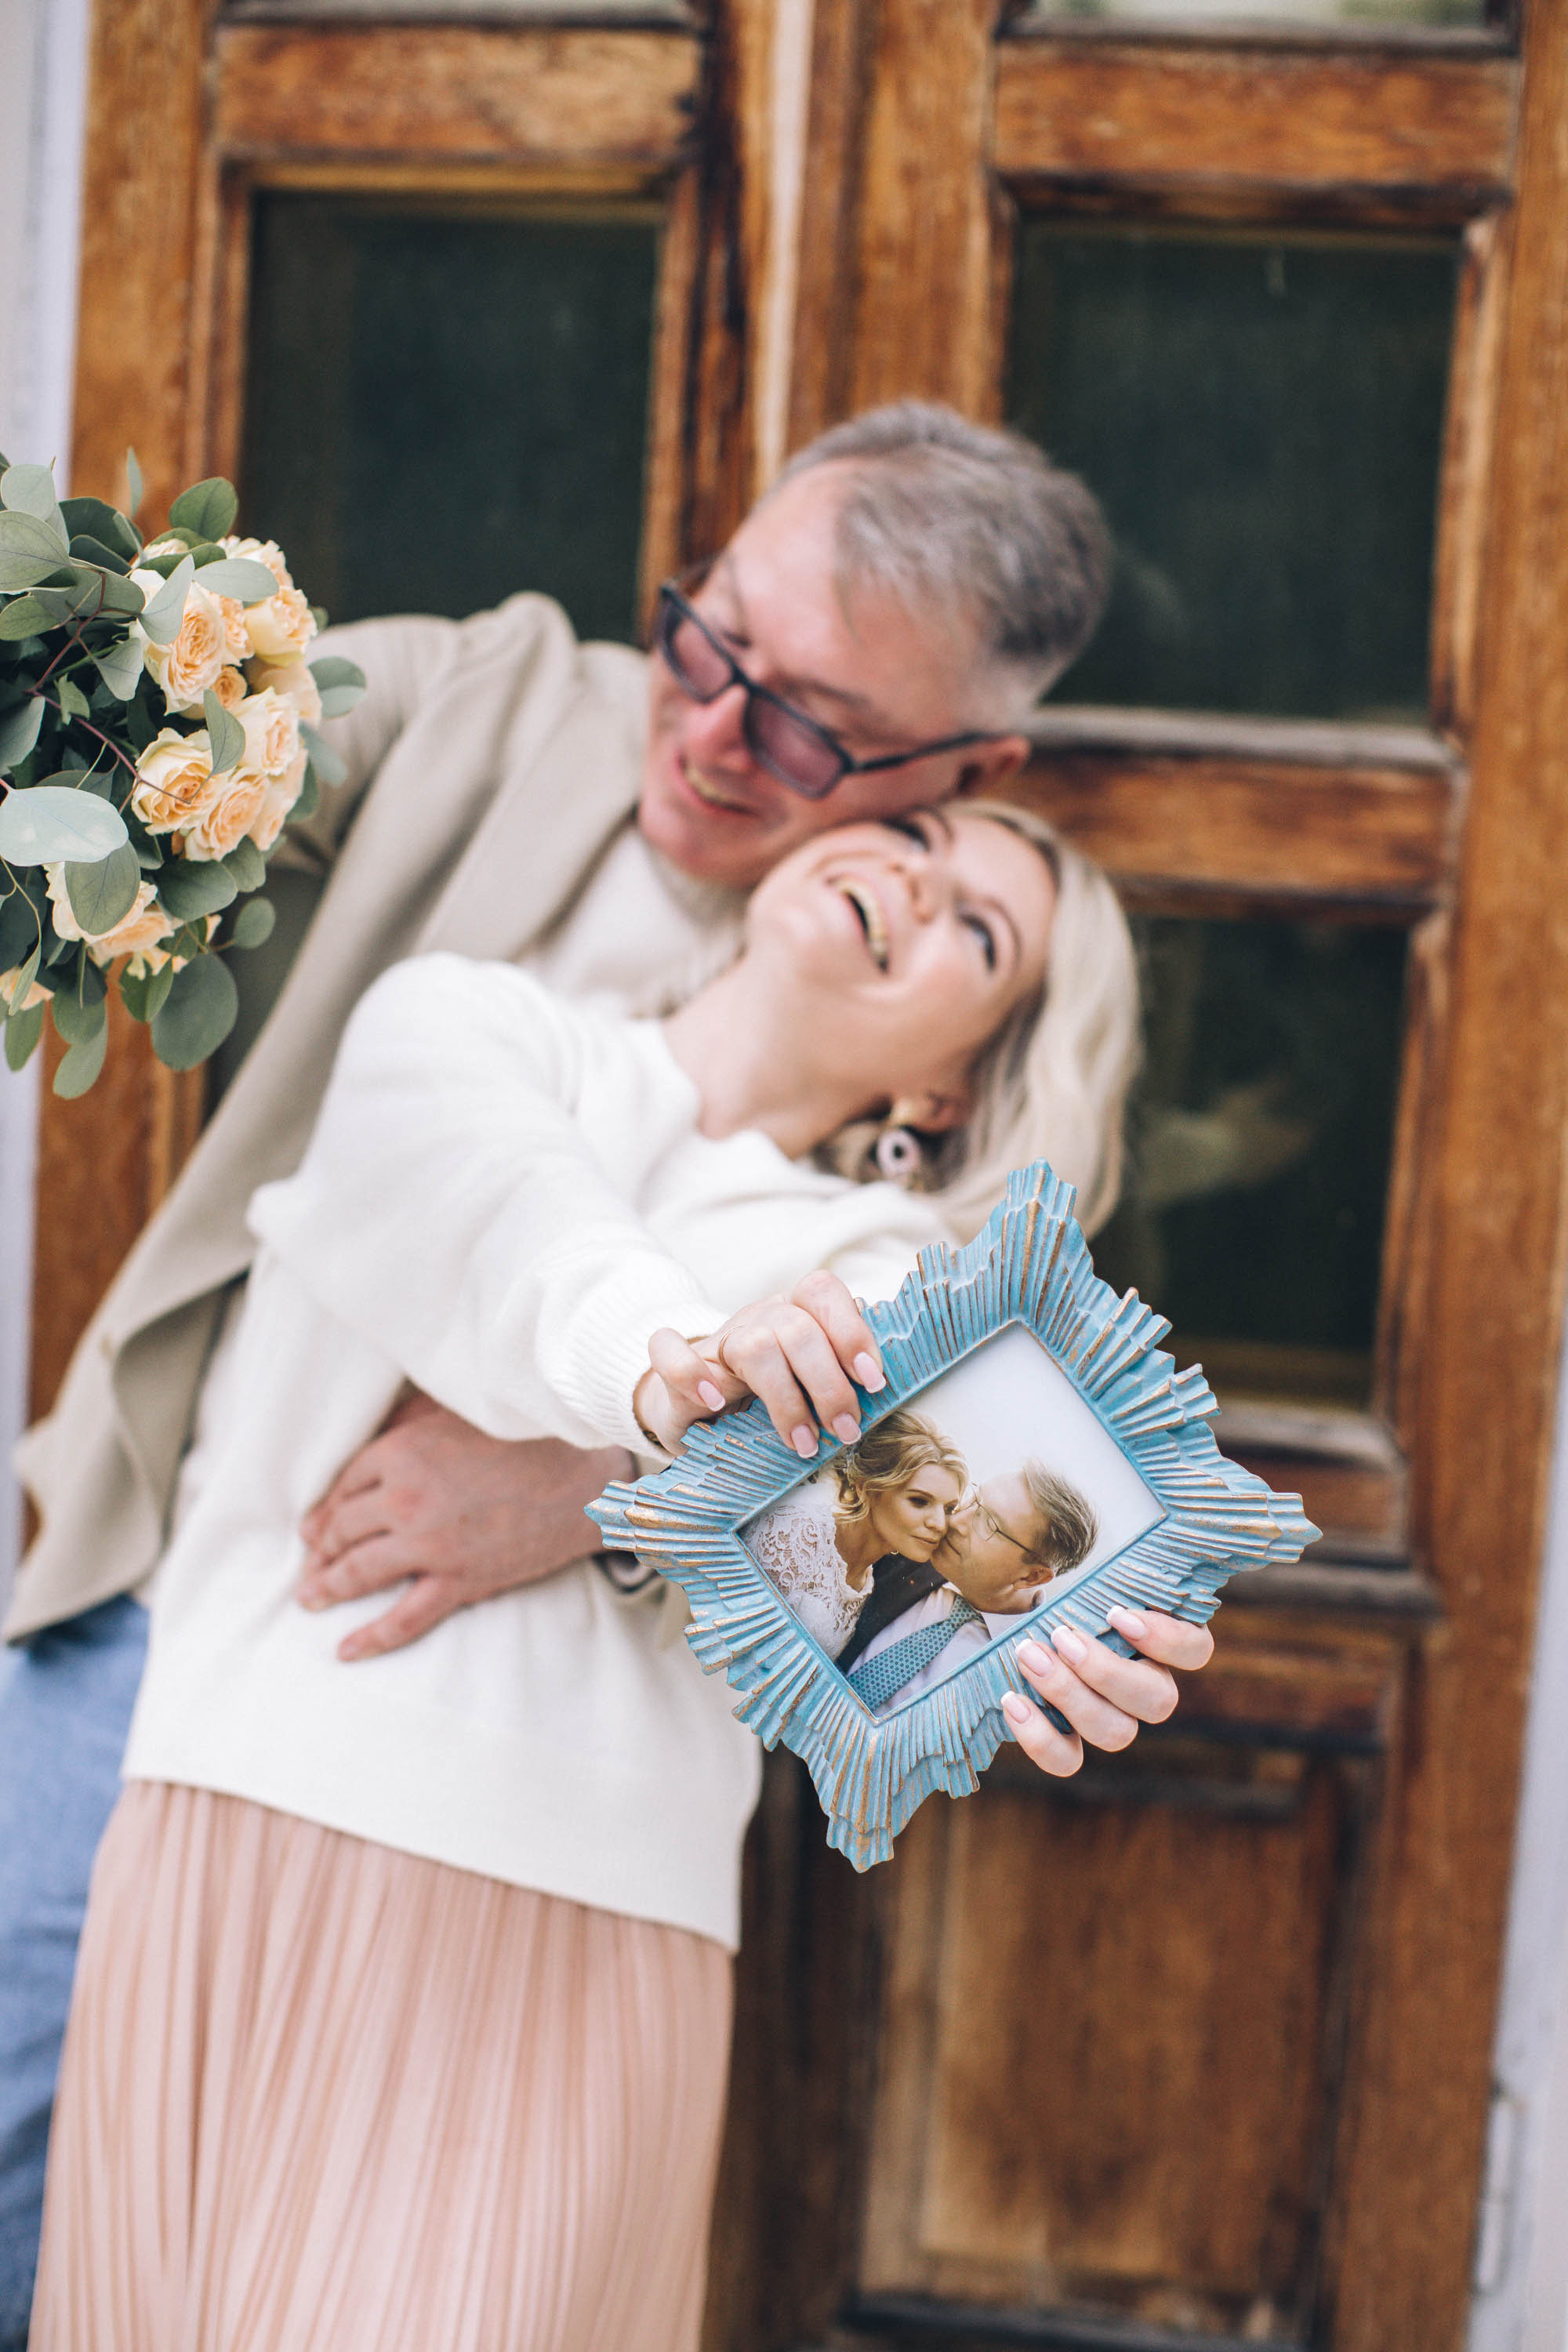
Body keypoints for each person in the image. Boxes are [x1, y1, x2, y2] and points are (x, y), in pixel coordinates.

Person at [0, 403, 1215, 2352]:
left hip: (558, 1890)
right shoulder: (501, 773)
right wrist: (91, 715)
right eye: (708, 637)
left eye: (811, 727)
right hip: (187, 1632)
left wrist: (1020, 1630)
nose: (712, 728)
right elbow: (460, 1151)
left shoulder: (881, 1251)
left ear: (959, 764)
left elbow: (979, 1540)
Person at [844, 1460, 1098, 1713]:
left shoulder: (1027, 1679)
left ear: (1031, 1577)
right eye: (973, 1500)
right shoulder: (907, 1548)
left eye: (988, 1524)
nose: (954, 1523)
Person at [744, 1407, 966, 1653]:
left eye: (949, 1508)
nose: (939, 1523)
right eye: (919, 1501)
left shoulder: (865, 1580)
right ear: (865, 1487)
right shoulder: (796, 1533)